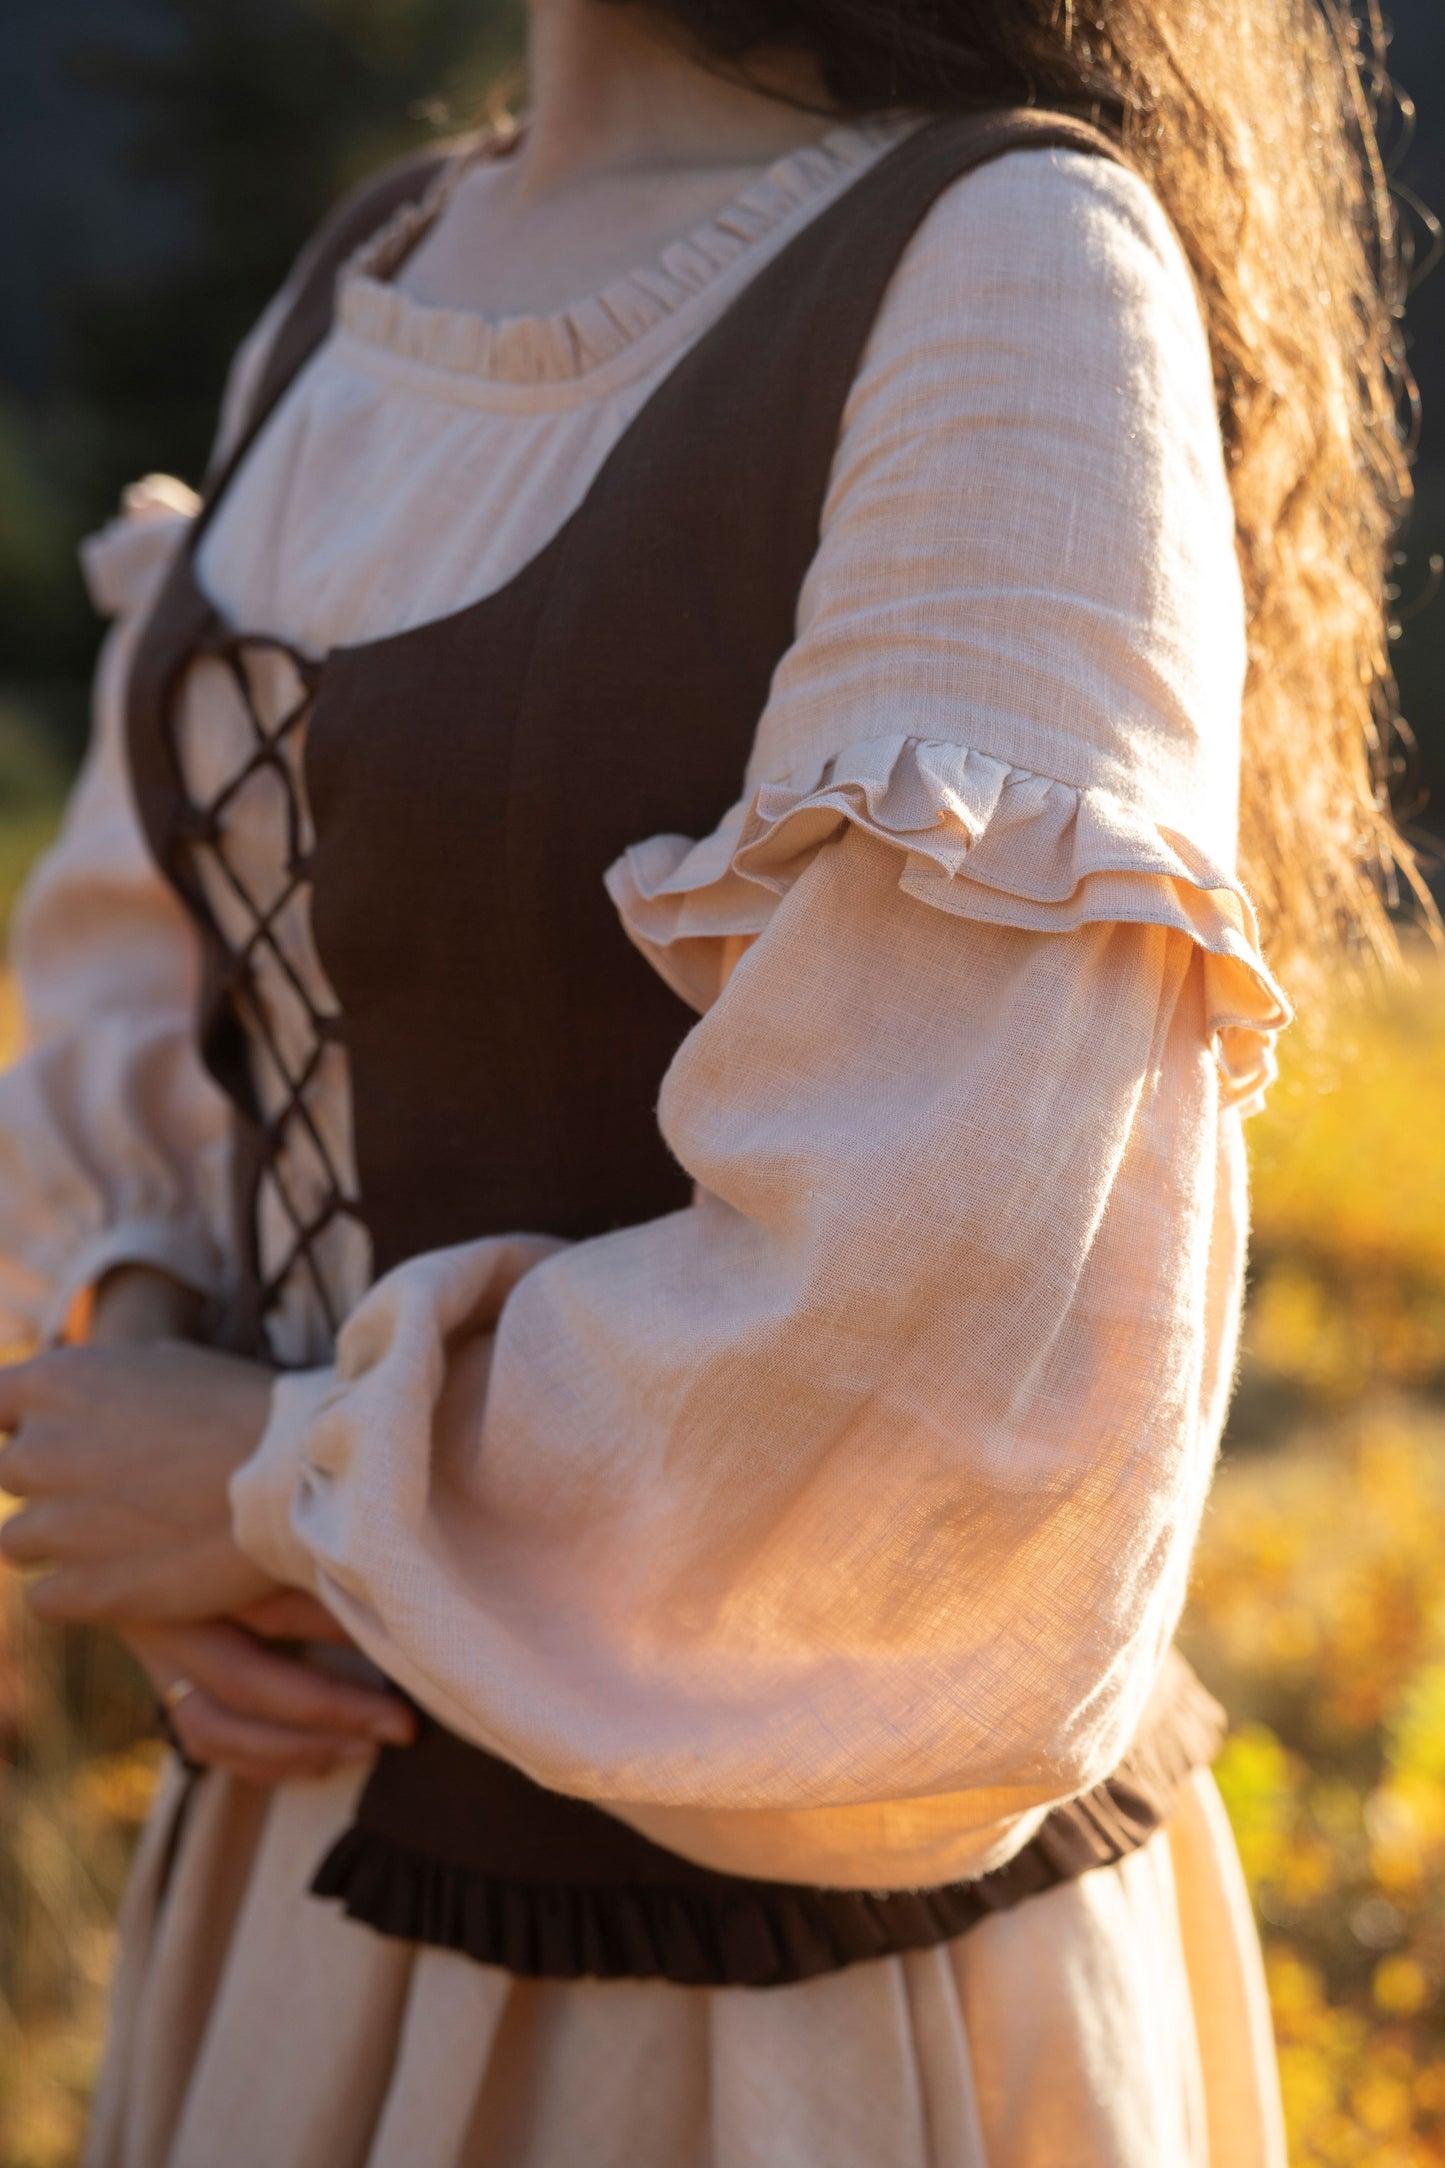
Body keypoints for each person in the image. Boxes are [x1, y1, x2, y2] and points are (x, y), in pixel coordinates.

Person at [0, 0, 1416, 2157]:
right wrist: (139, 1350)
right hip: (292, 1898)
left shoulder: (1005, 260)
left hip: (765, 2006)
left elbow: (941, 1343)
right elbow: (134, 979)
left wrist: (260, 1480)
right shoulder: (366, 272)